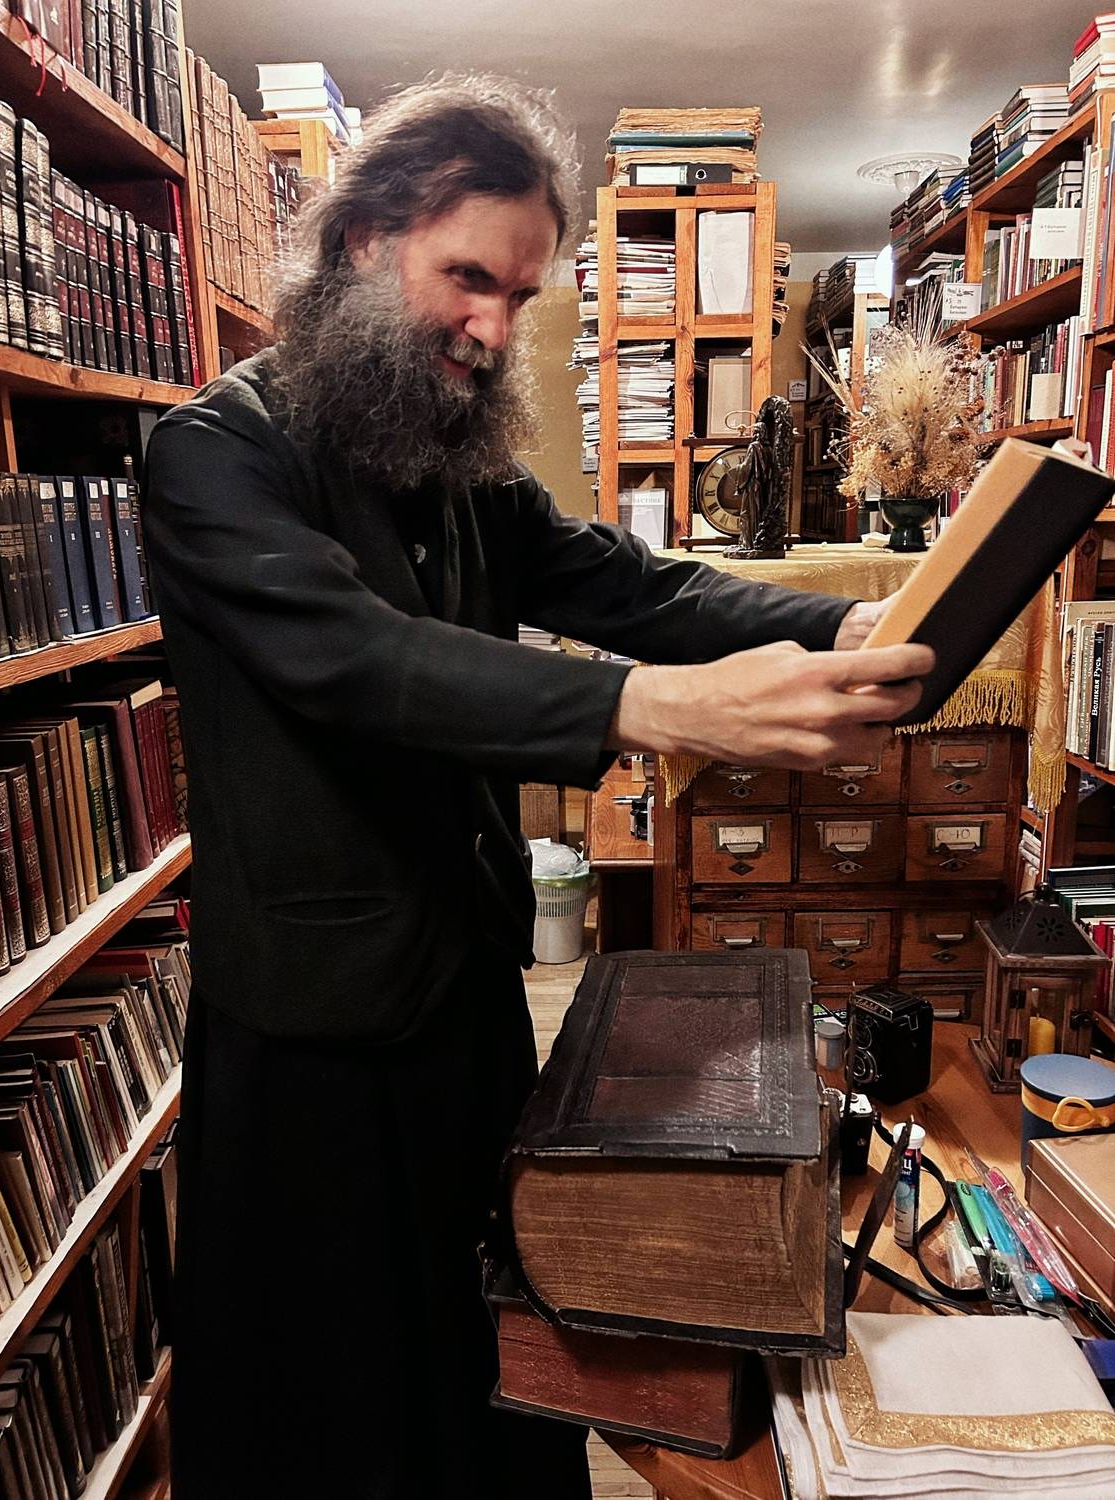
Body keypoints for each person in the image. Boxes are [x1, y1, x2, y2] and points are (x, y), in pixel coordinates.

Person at [142, 74, 931, 1500]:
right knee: (330, 1402)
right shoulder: (214, 452)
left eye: (518, 296)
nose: (494, 330)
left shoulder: (447, 460)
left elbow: (630, 584)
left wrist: (840, 625)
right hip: (312, 1033)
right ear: (363, 238)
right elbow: (360, 662)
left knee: (494, 1352)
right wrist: (653, 707)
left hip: (466, 994)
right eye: (468, 279)